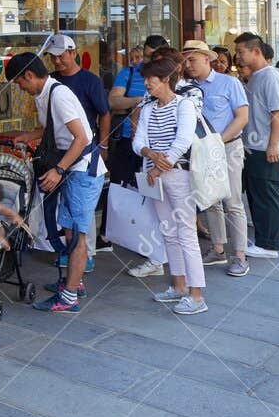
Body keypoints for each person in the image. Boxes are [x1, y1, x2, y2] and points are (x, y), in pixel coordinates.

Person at [6, 51, 105, 313]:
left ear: (29, 75)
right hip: (72, 168)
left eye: (20, 83)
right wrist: (27, 135)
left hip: (82, 170)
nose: (21, 88)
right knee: (70, 231)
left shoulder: (58, 95)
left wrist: (59, 170)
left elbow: (82, 138)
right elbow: (50, 129)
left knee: (77, 236)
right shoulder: (44, 94)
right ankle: (76, 283)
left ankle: (69, 296)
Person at [132, 54, 205, 315]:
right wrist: (151, 157)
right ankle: (179, 286)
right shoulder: (149, 108)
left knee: (186, 233)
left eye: (150, 79)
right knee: (168, 232)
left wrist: (158, 167)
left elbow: (183, 140)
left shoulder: (184, 105)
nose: (147, 84)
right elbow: (137, 141)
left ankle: (197, 295)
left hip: (177, 175)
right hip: (155, 176)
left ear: (165, 79)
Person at [181, 39, 249, 276]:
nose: (188, 64)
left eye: (192, 59)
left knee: (232, 202)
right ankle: (218, 248)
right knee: (209, 200)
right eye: (185, 60)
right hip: (201, 150)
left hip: (228, 146)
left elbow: (242, 117)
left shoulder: (228, 83)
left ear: (206, 59)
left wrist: (218, 142)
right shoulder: (185, 87)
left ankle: (240, 255)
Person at [44, 32, 111, 252]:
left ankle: (86, 252)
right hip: (60, 150)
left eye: (61, 56)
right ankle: (69, 252)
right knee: (66, 209)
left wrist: (103, 145)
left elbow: (104, 114)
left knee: (81, 209)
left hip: (85, 148)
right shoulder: (52, 81)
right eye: (52, 57)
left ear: (73, 53)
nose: (56, 61)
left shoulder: (90, 80)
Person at [110, 36, 167, 278]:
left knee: (155, 201)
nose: (147, 62)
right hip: (129, 144)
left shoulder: (173, 83)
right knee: (127, 192)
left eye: (153, 58)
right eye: (146, 56)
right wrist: (140, 101)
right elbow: (113, 101)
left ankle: (156, 255)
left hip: (160, 152)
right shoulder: (130, 73)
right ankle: (132, 238)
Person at [234, 33, 279, 259]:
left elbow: (278, 113)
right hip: (253, 146)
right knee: (257, 194)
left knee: (267, 195)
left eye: (241, 52)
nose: (238, 57)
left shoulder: (270, 76)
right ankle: (263, 238)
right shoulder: (254, 77)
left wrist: (273, 145)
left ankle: (269, 245)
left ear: (256, 51)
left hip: (266, 147)